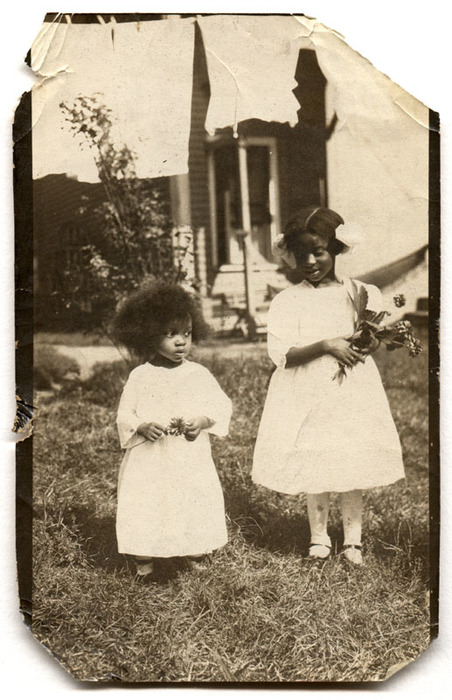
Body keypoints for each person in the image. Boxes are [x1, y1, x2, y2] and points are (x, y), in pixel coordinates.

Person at [252, 206, 405, 565]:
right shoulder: (289, 300)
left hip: (350, 392)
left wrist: (368, 341)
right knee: (315, 458)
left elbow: (370, 341)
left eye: (318, 252)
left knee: (350, 457)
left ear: (335, 249)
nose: (309, 261)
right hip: (308, 393)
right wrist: (326, 345)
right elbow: (282, 354)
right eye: (301, 253)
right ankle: (318, 537)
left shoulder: (361, 293)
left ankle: (353, 540)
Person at [111, 281, 232, 581]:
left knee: (191, 497)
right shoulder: (141, 376)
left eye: (187, 334)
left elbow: (221, 405)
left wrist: (202, 421)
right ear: (148, 336)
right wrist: (141, 426)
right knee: (149, 501)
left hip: (188, 457)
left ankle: (193, 549)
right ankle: (145, 559)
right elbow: (124, 413)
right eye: (170, 334)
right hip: (150, 459)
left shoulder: (198, 374)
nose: (181, 342)